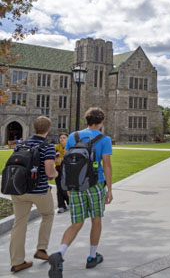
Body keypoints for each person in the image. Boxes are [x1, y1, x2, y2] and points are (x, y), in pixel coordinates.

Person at [48, 107, 113, 278]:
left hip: (76, 186)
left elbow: (68, 163)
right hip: (95, 185)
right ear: (101, 122)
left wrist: (68, 187)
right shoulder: (104, 139)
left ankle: (60, 253)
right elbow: (107, 165)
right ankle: (92, 256)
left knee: (76, 222)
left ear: (86, 120)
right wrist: (110, 189)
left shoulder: (73, 137)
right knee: (96, 220)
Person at [9, 116, 58, 273]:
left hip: (19, 189)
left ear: (33, 127)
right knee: (48, 215)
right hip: (39, 191)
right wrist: (56, 172)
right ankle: (41, 249)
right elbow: (50, 172)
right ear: (48, 129)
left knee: (19, 223)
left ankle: (17, 262)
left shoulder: (21, 145)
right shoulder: (47, 147)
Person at [54, 133, 69, 214]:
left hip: (67, 170)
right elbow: (57, 159)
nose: (62, 139)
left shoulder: (70, 147)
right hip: (58, 169)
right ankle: (61, 206)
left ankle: (69, 202)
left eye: (64, 138)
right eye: (60, 138)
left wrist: (62, 159)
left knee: (65, 188)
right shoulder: (57, 147)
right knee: (59, 188)